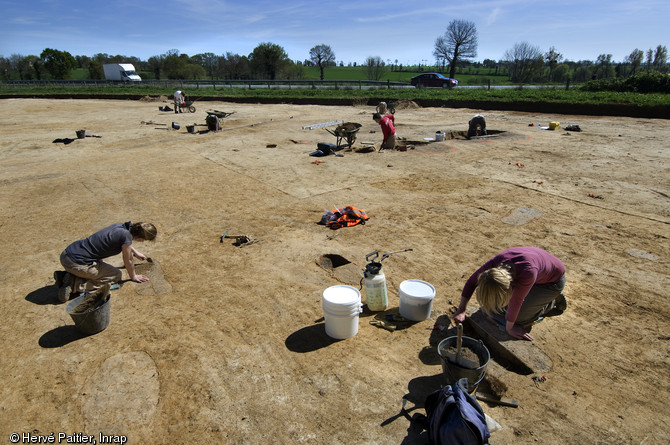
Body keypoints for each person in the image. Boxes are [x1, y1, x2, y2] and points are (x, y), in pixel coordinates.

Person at [453, 246, 567, 341]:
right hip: (536, 274)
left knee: (519, 319)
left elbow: (516, 301)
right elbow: (472, 281)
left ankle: (549, 302)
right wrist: (461, 309)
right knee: (498, 309)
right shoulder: (497, 264)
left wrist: (510, 329)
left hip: (551, 283)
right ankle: (537, 299)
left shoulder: (528, 272)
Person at [54, 222, 157, 303]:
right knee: (115, 275)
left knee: (102, 266)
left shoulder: (122, 227)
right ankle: (74, 284)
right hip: (77, 263)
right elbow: (128, 260)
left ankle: (66, 275)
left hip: (68, 253)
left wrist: (135, 252)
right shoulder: (126, 237)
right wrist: (133, 276)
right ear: (139, 238)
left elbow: (125, 241)